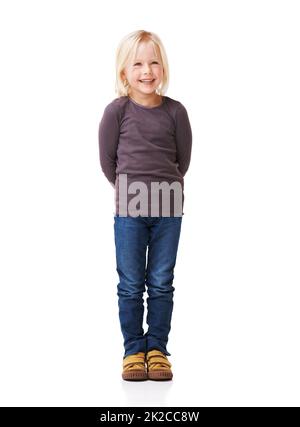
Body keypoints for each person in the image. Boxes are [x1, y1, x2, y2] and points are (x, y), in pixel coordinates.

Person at [98, 30, 192, 381]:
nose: (146, 70)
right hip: (129, 213)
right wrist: (129, 192)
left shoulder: (175, 111)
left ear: (163, 67)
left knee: (162, 282)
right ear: (125, 73)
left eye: (153, 62)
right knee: (131, 283)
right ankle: (133, 351)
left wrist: (162, 190)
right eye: (137, 63)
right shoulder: (117, 111)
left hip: (168, 210)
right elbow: (109, 161)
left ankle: (158, 349)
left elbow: (182, 160)